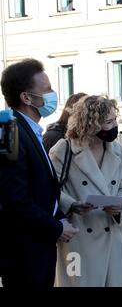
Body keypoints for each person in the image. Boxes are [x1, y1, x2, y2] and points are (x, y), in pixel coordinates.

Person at [0, 59, 78, 288]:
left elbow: (39, 188)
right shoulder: (9, 131)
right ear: (26, 98)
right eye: (47, 90)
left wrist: (61, 214)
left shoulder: (28, 129)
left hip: (37, 246)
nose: (53, 95)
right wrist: (56, 227)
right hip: (24, 254)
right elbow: (14, 199)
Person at [49, 95, 122, 287]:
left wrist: (119, 207)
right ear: (91, 124)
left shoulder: (118, 151)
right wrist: (71, 204)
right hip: (77, 239)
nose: (114, 126)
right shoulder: (64, 149)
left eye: (115, 120)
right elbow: (49, 189)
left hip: (111, 236)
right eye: (109, 122)